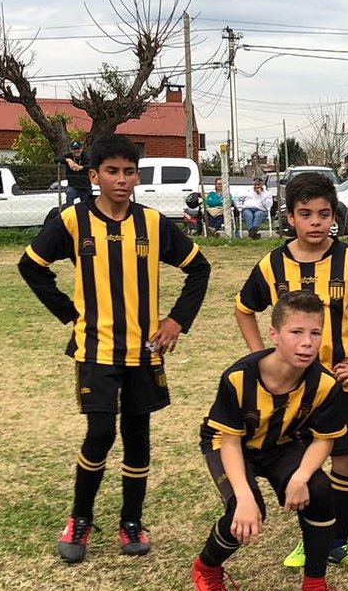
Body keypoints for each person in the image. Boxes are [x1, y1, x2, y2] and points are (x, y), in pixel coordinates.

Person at [18, 134, 211, 564]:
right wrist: (69, 313)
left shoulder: (154, 223)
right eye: (111, 171)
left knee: (137, 437)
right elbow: (31, 266)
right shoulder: (72, 221)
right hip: (96, 349)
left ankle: (130, 522)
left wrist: (176, 320)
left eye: (128, 172)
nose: (121, 180)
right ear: (94, 175)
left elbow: (199, 268)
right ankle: (80, 520)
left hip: (144, 352)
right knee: (101, 432)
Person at [235, 172, 348, 575]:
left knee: (346, 460)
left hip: (339, 383)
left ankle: (338, 542)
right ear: (290, 218)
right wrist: (262, 357)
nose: (316, 222)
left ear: (333, 216)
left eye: (324, 214)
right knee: (305, 465)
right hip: (293, 389)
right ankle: (312, 540)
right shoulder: (272, 264)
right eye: (306, 214)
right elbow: (243, 308)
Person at [191, 290, 348, 591]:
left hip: (281, 444)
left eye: (315, 333)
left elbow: (323, 440)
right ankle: (206, 568)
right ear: (274, 335)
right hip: (229, 444)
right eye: (296, 332)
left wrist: (301, 477)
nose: (307, 342)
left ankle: (315, 585)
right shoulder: (238, 377)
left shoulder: (324, 384)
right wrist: (245, 497)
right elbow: (230, 442)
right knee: (245, 509)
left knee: (320, 490)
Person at [55, 140, 91, 206]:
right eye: (74, 149)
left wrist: (81, 167)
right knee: (69, 193)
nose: (77, 150)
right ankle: (70, 211)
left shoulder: (86, 156)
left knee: (87, 205)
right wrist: (68, 160)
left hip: (85, 186)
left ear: (81, 149)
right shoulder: (69, 156)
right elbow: (56, 159)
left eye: (78, 148)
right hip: (73, 186)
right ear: (72, 150)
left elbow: (92, 164)